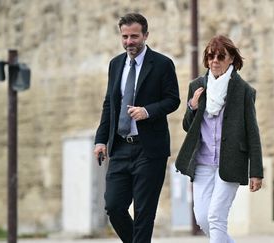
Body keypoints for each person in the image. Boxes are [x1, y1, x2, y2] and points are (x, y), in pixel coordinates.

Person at [93, 13, 180, 243]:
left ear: (145, 35)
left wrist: (147, 111)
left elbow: (173, 100)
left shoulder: (162, 64)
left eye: (134, 36)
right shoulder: (116, 64)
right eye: (125, 37)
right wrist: (100, 140)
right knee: (113, 206)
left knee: (144, 212)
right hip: (120, 147)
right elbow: (109, 104)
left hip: (149, 149)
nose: (129, 41)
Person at [175, 35, 263, 243]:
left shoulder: (244, 91)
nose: (214, 61)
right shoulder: (197, 86)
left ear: (231, 58)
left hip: (230, 163)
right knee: (203, 219)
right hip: (202, 164)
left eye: (220, 56)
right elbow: (188, 127)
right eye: (210, 56)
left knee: (216, 217)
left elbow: (253, 132)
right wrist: (192, 107)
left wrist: (256, 172)